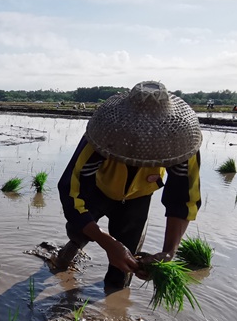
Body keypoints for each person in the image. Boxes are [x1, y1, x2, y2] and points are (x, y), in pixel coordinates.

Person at [55, 81, 202, 290]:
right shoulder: (104, 132)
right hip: (99, 188)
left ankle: (115, 299)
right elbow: (71, 191)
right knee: (80, 230)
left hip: (139, 196)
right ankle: (71, 249)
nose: (144, 140)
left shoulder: (180, 141)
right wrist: (108, 243)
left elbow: (184, 200)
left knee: (123, 264)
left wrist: (169, 251)